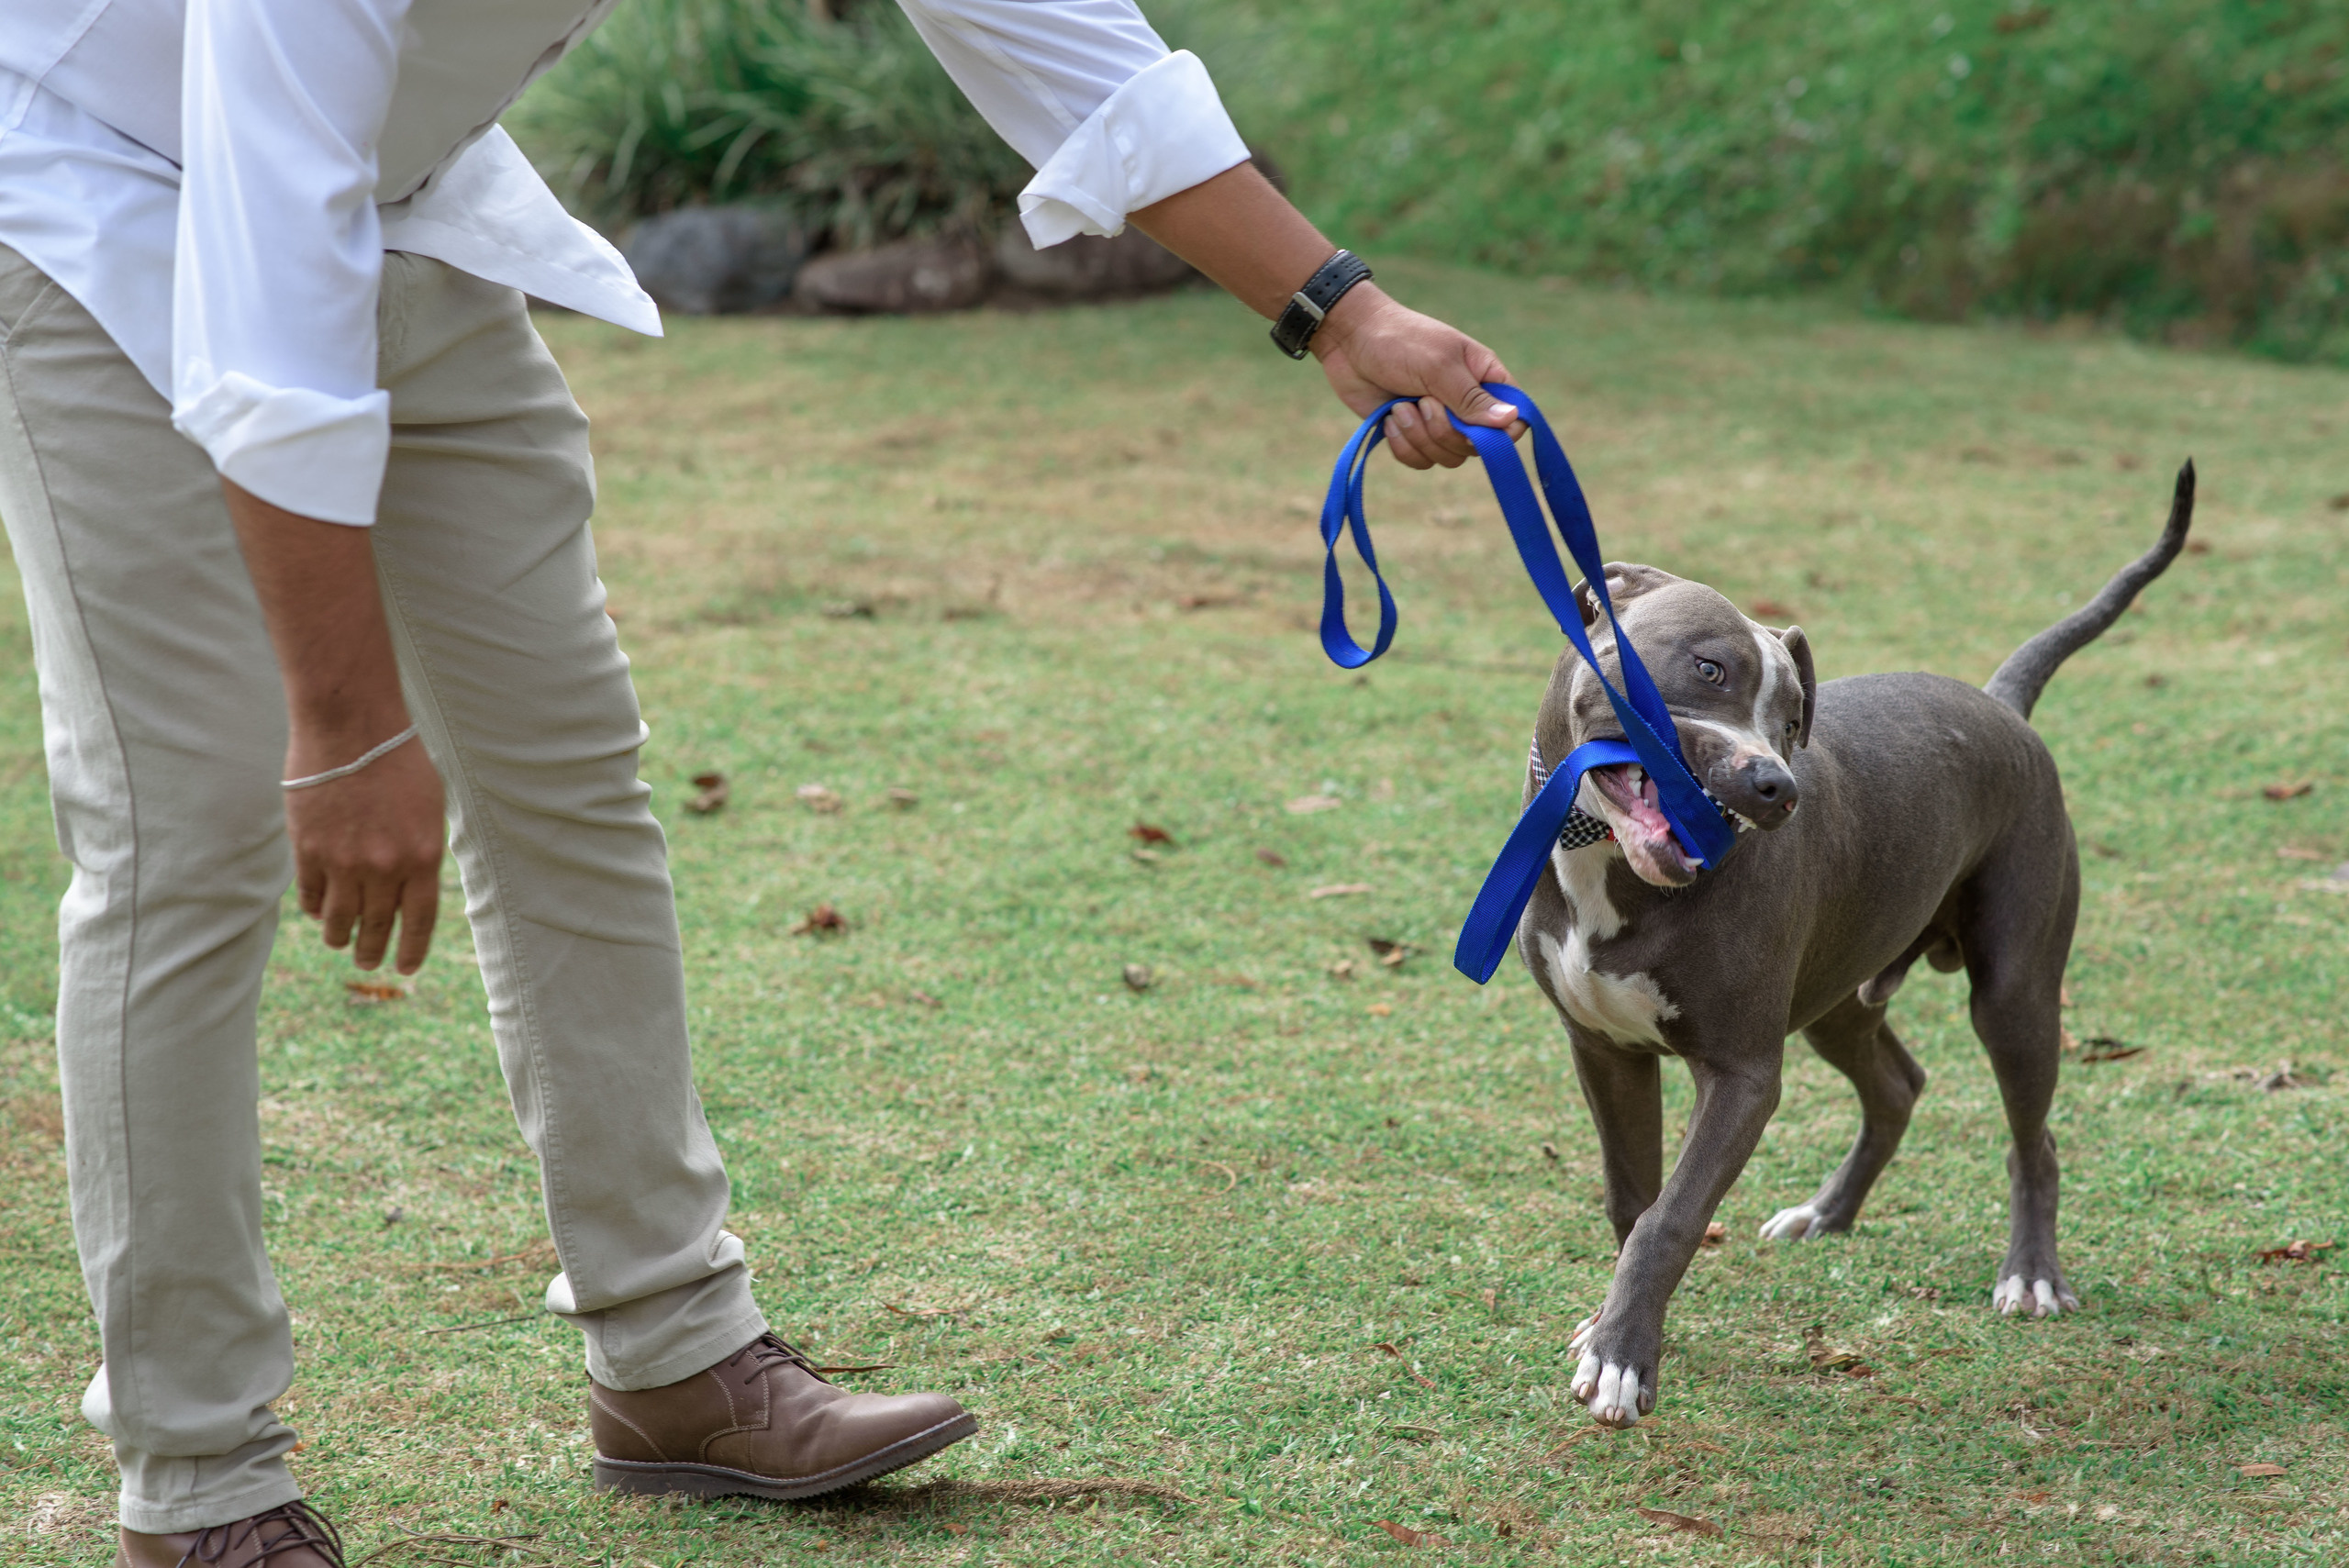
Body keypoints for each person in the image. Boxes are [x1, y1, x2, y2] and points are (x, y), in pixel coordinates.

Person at [0, 3, 1520, 1564]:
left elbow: (1055, 31)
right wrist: (348, 723)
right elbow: (264, 293)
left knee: (567, 773)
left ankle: (672, 1354)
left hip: (395, 207)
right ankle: (199, 1482)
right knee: (186, 835)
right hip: (100, 203)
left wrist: (1337, 308)